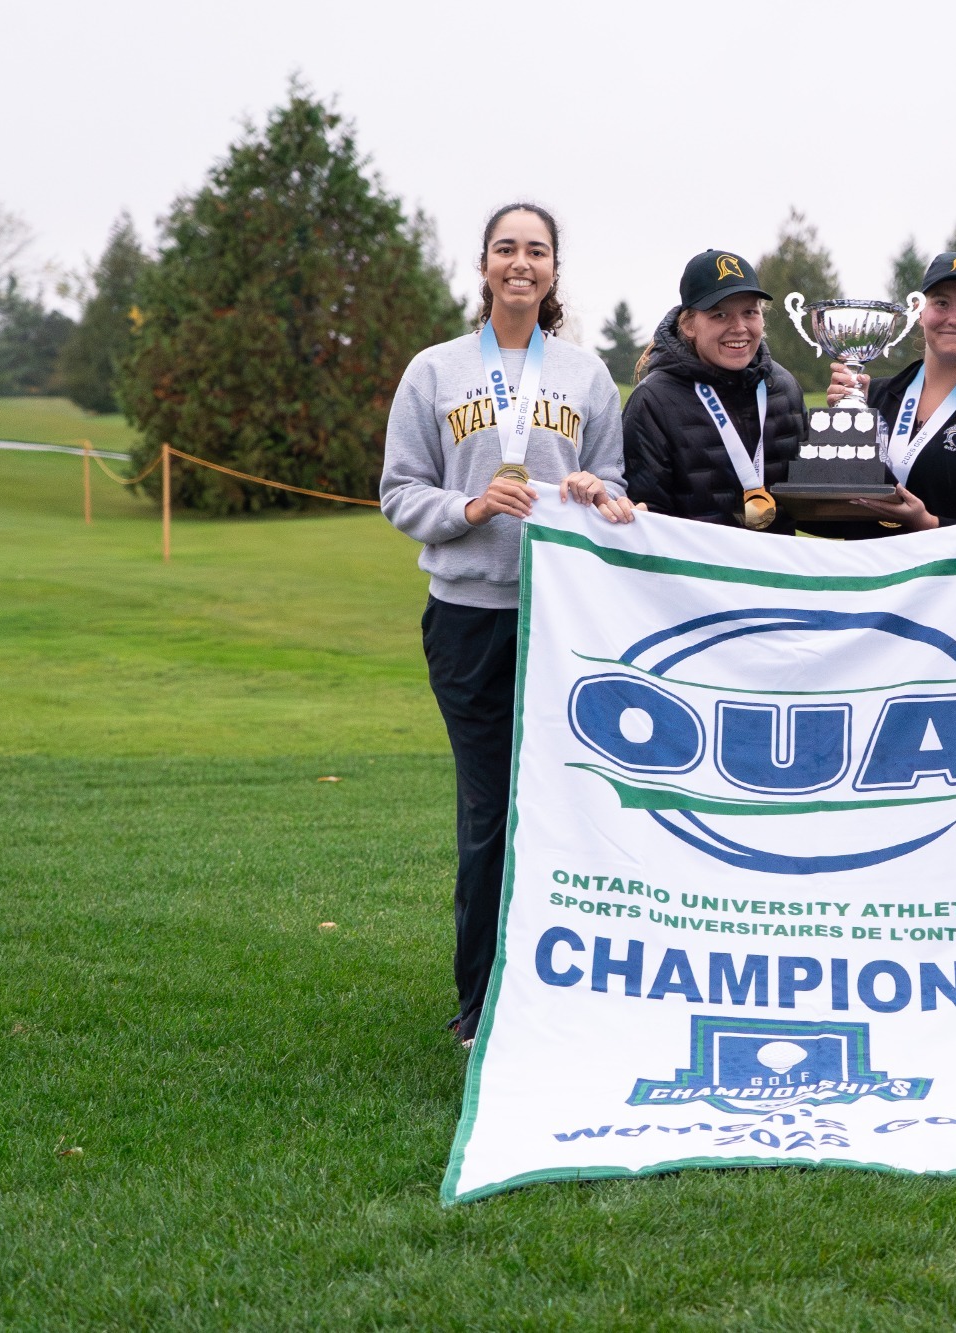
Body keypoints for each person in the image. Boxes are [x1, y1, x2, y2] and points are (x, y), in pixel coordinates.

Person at [380, 202, 635, 1049]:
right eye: (505, 249)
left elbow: (616, 487)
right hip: (470, 621)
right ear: (484, 265)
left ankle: (564, 992)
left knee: (571, 807)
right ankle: (481, 1002)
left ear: (555, 270)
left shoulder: (588, 375)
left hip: (565, 626)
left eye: (536, 251)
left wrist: (601, 493)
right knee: (490, 814)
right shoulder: (436, 370)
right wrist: (470, 504)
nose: (520, 263)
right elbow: (398, 491)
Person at [823, 251, 956, 535]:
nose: (955, 319)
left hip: (950, 579)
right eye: (941, 303)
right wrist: (839, 427)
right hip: (867, 574)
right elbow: (831, 507)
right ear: (920, 313)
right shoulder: (873, 398)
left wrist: (930, 524)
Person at [622, 249, 809, 532]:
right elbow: (647, 518)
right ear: (688, 325)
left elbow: (815, 501)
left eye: (750, 312)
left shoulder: (783, 387)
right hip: (696, 574)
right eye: (719, 314)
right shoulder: (654, 400)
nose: (739, 328)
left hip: (778, 573)